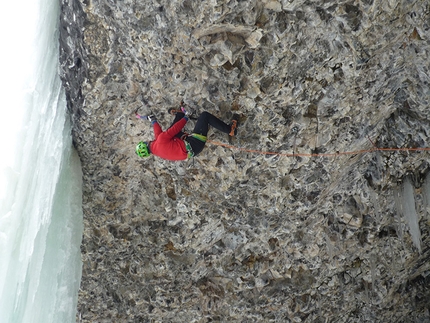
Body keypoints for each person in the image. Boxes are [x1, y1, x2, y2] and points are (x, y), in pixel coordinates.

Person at [135, 107, 239, 161]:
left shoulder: (158, 151)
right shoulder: (160, 141)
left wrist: (153, 120)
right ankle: (230, 130)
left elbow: (159, 135)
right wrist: (187, 117)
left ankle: (179, 114)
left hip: (192, 150)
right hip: (194, 143)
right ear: (145, 142)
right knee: (205, 116)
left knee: (170, 135)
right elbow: (175, 129)